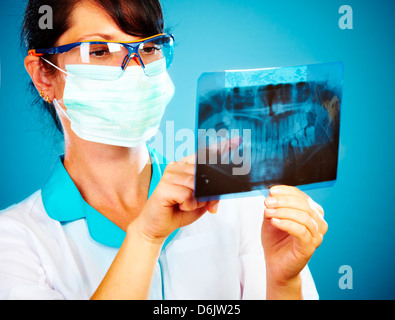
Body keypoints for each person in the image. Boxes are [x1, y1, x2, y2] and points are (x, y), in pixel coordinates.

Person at [0, 0, 328, 300]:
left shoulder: (236, 205)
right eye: (99, 50)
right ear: (45, 74)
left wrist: (284, 283)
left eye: (151, 47)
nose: (133, 69)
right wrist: (145, 236)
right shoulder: (13, 240)